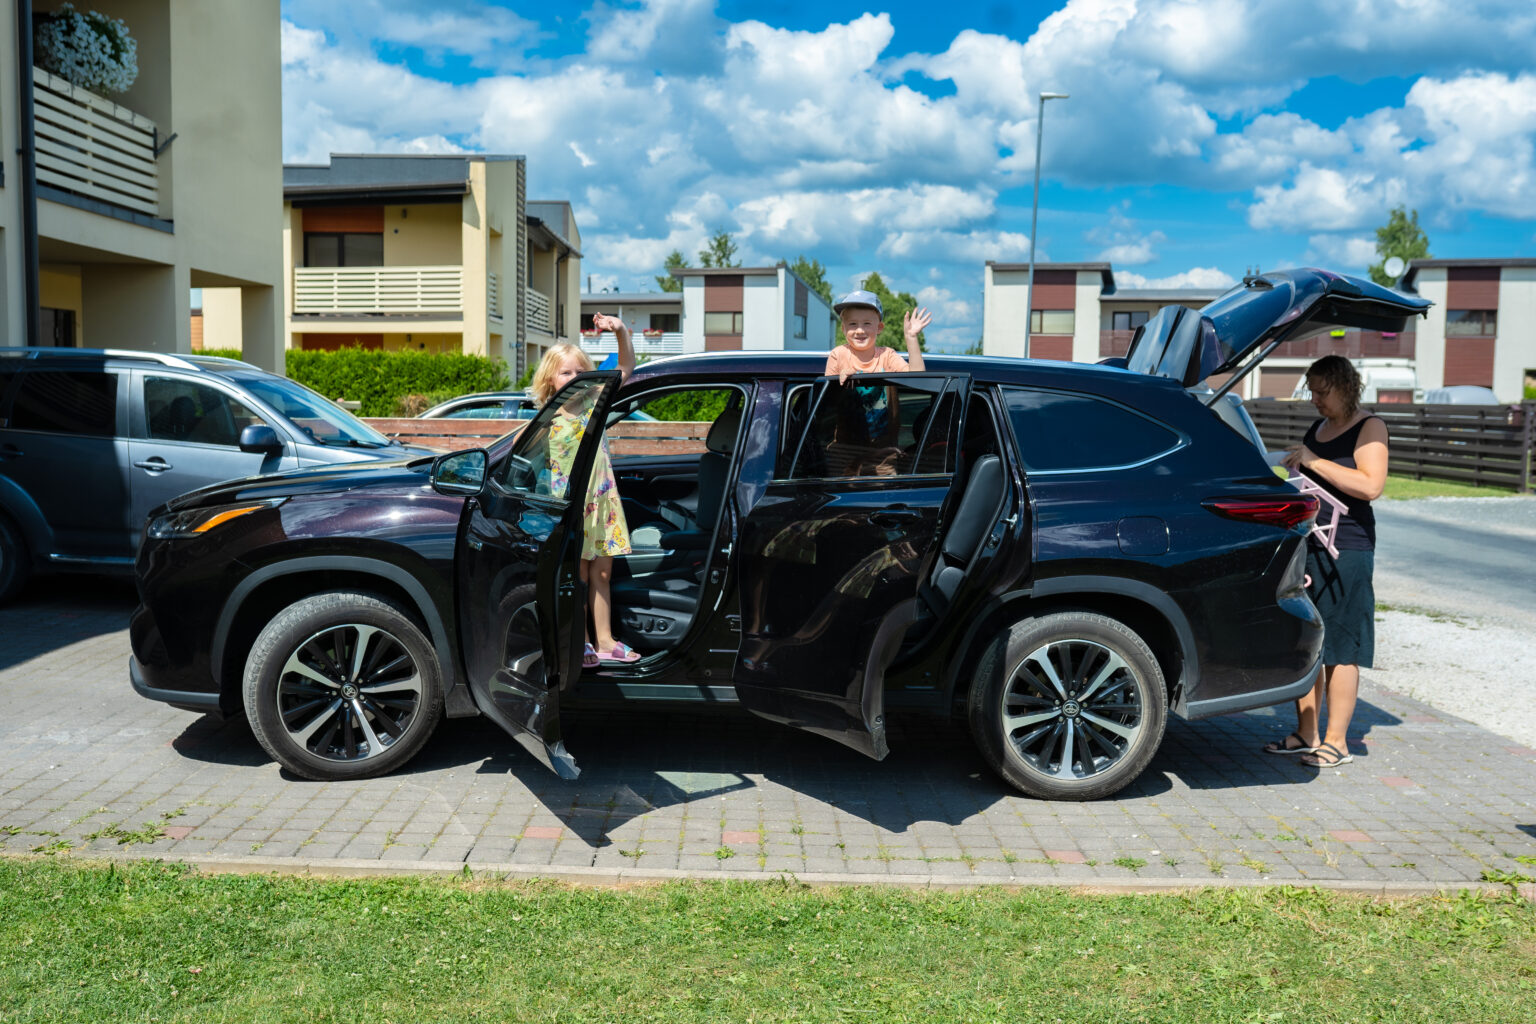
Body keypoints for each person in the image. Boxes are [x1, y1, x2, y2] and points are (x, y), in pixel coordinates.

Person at [1262, 355, 1389, 768]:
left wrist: (1314, 461)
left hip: (1349, 548)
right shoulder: (1318, 427)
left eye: (1322, 390)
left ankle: (1337, 742)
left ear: (1345, 386)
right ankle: (1306, 732)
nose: (1314, 399)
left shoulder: (1371, 427)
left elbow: (1371, 486)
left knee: (1341, 644)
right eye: (1311, 390)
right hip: (1311, 542)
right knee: (1308, 640)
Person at [528, 312, 639, 666]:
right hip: (572, 507)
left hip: (601, 501)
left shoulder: (595, 404)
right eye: (566, 372)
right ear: (549, 380)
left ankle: (605, 640)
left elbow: (626, 365)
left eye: (579, 371)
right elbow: (519, 449)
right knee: (575, 577)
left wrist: (619, 330)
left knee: (602, 574)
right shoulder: (549, 418)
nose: (574, 377)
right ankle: (585, 640)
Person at [824, 290, 931, 470]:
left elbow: (917, 377)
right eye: (852, 324)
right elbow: (825, 403)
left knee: (884, 496)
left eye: (867, 323)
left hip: (884, 453)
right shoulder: (839, 355)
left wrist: (911, 338)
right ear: (843, 328)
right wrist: (838, 380)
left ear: (879, 328)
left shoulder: (887, 356)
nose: (859, 330)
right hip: (845, 452)